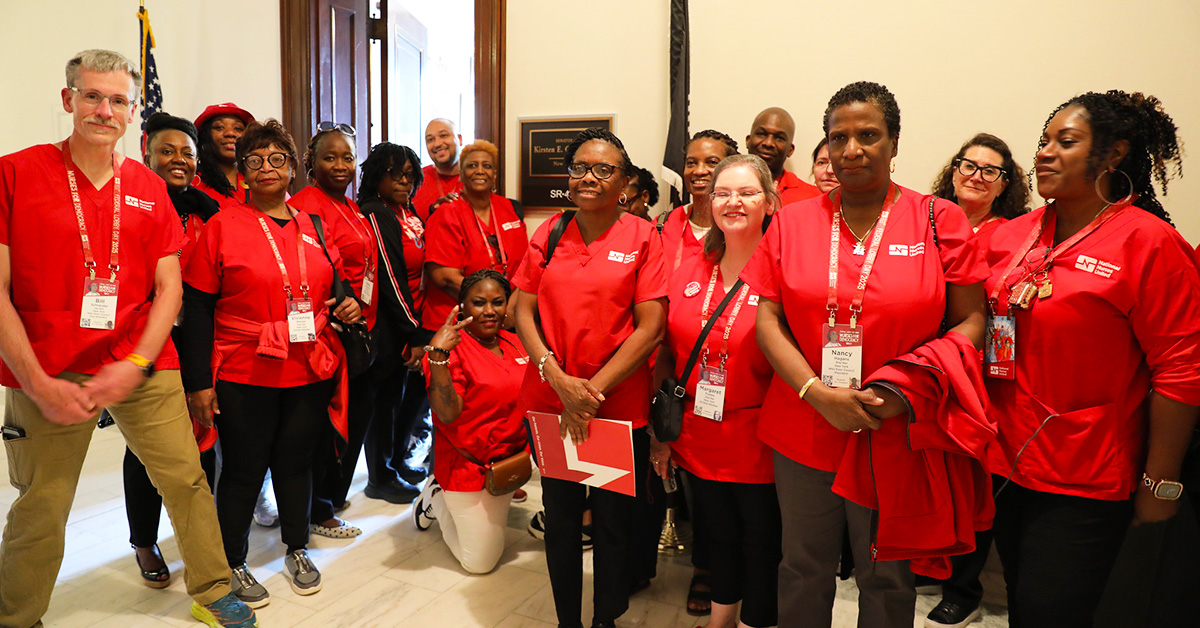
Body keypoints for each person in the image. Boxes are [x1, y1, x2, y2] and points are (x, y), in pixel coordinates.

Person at [0, 49, 256, 628]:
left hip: (141, 358)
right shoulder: (15, 173)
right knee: (43, 503)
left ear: (132, 110)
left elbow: (170, 288)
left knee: (186, 478)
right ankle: (17, 615)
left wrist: (137, 360)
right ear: (69, 100)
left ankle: (212, 589)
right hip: (48, 368)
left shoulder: (147, 185)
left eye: (118, 100)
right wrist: (36, 382)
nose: (104, 109)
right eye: (92, 95)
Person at [740, 81, 992, 628]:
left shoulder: (937, 220)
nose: (851, 149)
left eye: (868, 135)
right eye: (839, 137)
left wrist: (907, 391)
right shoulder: (792, 220)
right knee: (802, 566)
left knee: (887, 575)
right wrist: (815, 392)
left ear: (894, 143)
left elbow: (973, 319)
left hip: (893, 426)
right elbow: (767, 320)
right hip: (805, 423)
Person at [983, 91, 1200, 628]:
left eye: (1066, 141)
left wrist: (1160, 484)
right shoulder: (1012, 236)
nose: (1044, 153)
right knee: (1019, 598)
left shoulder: (1150, 244)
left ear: (1114, 154)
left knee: (1051, 612)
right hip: (1001, 462)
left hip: (1084, 478)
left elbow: (1182, 370)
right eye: (1043, 141)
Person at [180, 119, 362, 607]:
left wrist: (347, 303)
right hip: (245, 368)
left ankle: (298, 548)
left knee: (296, 463)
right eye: (255, 160)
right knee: (243, 468)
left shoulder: (313, 224)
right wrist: (198, 383)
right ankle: (232, 559)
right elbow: (196, 307)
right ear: (242, 170)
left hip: (308, 364)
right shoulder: (222, 225)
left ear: (292, 168)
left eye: (277, 159)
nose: (267, 169)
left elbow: (333, 283)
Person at [513, 127, 667, 628]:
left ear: (624, 182)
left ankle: (605, 620)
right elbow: (524, 312)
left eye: (604, 169)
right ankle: (567, 622)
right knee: (559, 519)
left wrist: (589, 391)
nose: (589, 178)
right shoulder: (550, 231)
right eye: (580, 167)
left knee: (612, 523)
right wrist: (558, 380)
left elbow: (651, 328)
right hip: (552, 401)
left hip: (614, 407)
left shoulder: (644, 236)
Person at [652, 154, 781, 628]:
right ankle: (721, 620)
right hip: (698, 433)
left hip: (761, 438)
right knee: (717, 536)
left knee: (762, 543)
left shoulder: (786, 270)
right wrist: (660, 431)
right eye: (722, 192)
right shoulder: (691, 263)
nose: (733, 202)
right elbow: (668, 348)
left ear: (769, 202)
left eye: (747, 193)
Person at [921, 133, 1028, 628]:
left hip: (979, 373)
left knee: (970, 482)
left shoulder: (1014, 235)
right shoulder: (923, 220)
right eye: (969, 164)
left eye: (991, 170)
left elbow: (1002, 312)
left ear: (1005, 185)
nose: (977, 175)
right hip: (921, 364)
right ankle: (922, 562)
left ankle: (963, 588)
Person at [122, 111, 221, 590]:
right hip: (144, 338)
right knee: (146, 449)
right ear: (146, 151)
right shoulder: (128, 201)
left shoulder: (203, 208)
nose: (177, 160)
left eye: (187, 153)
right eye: (167, 150)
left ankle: (200, 541)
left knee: (199, 444)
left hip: (196, 337)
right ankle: (143, 539)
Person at [290, 122, 375, 538]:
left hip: (358, 326)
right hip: (328, 329)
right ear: (311, 162)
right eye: (330, 157)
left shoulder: (350, 204)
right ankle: (317, 511)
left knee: (343, 421)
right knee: (323, 425)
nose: (341, 165)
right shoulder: (307, 205)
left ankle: (325, 499)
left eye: (347, 157)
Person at [413, 270, 530, 573]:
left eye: (498, 302)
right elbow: (447, 413)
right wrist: (437, 354)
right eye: (479, 303)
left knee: (493, 539)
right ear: (462, 307)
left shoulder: (516, 342)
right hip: (468, 465)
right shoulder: (450, 348)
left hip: (507, 462)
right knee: (480, 563)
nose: (489, 311)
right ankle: (436, 497)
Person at [357, 142, 435, 503]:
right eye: (395, 174)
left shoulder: (407, 210)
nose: (404, 181)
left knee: (404, 399)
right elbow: (389, 278)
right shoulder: (376, 213)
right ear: (377, 176)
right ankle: (380, 477)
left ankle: (398, 462)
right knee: (384, 403)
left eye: (409, 174)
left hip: (412, 316)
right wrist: (413, 331)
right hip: (389, 325)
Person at [424, 139, 528, 331]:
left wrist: (507, 310)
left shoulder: (509, 208)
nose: (480, 171)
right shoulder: (446, 213)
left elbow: (524, 269)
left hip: (505, 319)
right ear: (462, 174)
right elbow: (445, 278)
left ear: (494, 175)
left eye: (487, 166)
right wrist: (491, 307)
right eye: (472, 166)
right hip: (458, 323)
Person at [659, 130, 739, 274]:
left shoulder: (741, 227)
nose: (699, 170)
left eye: (712, 162)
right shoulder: (663, 225)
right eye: (691, 163)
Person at [932, 132, 1030, 241]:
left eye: (989, 171)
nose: (976, 177)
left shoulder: (1010, 235)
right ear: (954, 175)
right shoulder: (929, 223)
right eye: (969, 166)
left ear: (1002, 186)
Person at [746, 107, 820, 208]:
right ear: (748, 141)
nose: (768, 143)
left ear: (790, 150)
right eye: (762, 134)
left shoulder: (813, 198)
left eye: (779, 138)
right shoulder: (724, 189)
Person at [193, 102, 255, 209]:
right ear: (205, 136)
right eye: (219, 127)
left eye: (238, 128)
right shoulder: (193, 182)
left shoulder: (258, 179)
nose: (230, 133)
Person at [411, 118, 464, 220]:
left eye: (443, 135)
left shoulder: (475, 177)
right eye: (430, 139)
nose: (437, 144)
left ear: (460, 139)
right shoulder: (416, 179)